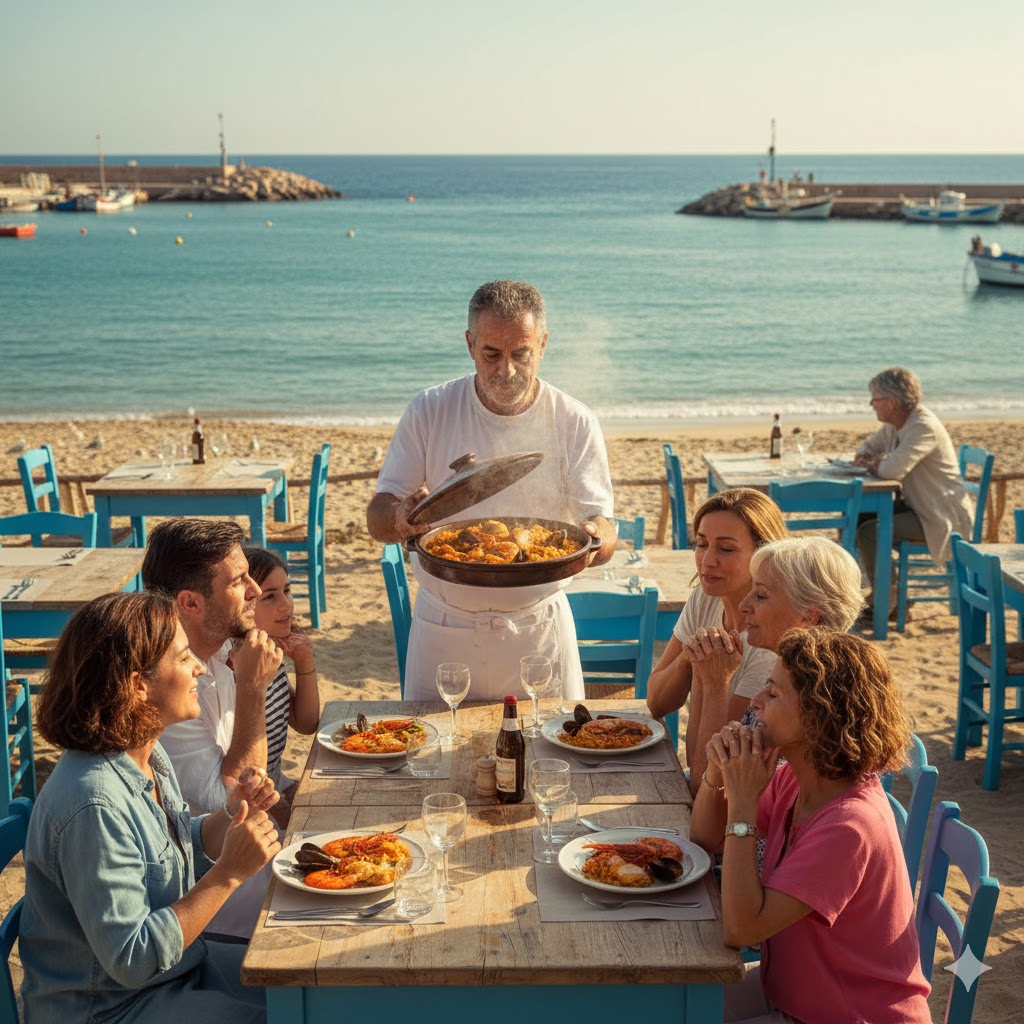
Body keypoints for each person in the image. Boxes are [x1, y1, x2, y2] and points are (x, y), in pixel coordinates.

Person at [19, 592, 281, 1024]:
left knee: (307, 991)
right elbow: (133, 957)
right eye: (183, 658)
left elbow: (169, 853)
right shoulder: (93, 803)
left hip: (175, 973)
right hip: (108, 1008)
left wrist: (229, 816)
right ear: (138, 686)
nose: (199, 667)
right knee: (285, 1014)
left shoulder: (145, 755)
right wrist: (229, 874)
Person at [366, 279, 616, 701]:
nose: (507, 370)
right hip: (443, 628)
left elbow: (604, 527)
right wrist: (398, 517)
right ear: (469, 344)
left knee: (546, 756)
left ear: (543, 343)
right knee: (436, 760)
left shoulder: (574, 420)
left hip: (538, 631)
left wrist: (595, 538)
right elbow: (377, 515)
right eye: (491, 354)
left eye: (521, 353)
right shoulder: (429, 409)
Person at [691, 629, 931, 1024]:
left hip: (850, 1015)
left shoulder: (849, 827)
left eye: (773, 692)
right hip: (788, 993)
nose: (755, 702)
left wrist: (743, 803)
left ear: (818, 715)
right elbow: (706, 838)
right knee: (669, 1001)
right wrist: (719, 774)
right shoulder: (797, 779)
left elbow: (741, 930)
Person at [646, 488, 788, 794]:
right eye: (701, 544)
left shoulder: (767, 644)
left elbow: (708, 778)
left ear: (762, 555)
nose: (707, 560)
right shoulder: (705, 599)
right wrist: (692, 654)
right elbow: (657, 702)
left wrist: (713, 680)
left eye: (726, 549)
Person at [141, 519, 282, 816]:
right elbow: (234, 805)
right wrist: (252, 689)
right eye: (238, 581)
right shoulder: (163, 684)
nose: (255, 590)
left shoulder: (226, 650)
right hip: (204, 856)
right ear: (190, 603)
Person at [853, 367, 974, 618]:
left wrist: (874, 464)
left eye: (875, 400)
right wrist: (868, 457)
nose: (872, 405)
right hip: (919, 507)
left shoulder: (922, 426)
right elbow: (868, 447)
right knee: (860, 516)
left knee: (870, 531)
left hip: (941, 515)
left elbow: (891, 470)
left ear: (892, 402)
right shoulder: (896, 424)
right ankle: (889, 593)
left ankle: (888, 597)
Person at [243, 545, 321, 820]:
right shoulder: (239, 666)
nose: (286, 605)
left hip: (279, 785)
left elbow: (306, 723)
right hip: (253, 802)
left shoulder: (269, 654)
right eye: (270, 597)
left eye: (287, 591)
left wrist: (304, 662)